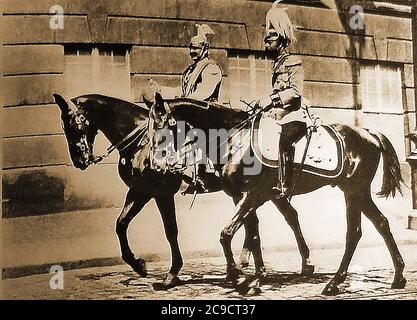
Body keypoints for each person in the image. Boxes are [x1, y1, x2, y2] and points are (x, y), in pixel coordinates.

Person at [256, 1, 306, 198]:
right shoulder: (277, 65)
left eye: (271, 40)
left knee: (285, 140)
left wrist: (272, 99)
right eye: (266, 40)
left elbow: (295, 91)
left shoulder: (293, 62)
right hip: (280, 114)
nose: (267, 44)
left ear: (282, 41)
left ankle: (285, 185)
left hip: (295, 115)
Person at [181, 24, 223, 102]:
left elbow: (203, 92)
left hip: (206, 112)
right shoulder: (191, 70)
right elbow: (182, 92)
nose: (191, 52)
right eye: (190, 48)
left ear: (205, 49)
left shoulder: (211, 68)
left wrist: (183, 102)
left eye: (196, 48)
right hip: (190, 108)